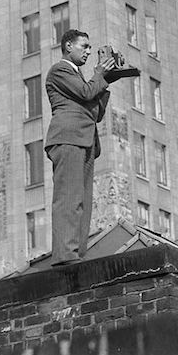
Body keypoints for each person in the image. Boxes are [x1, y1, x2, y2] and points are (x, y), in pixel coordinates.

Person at [45, 29, 116, 265]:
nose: (88, 51)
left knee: (82, 201)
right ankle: (65, 255)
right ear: (68, 46)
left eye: (89, 47)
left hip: (84, 140)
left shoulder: (80, 77)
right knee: (69, 197)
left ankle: (76, 254)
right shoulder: (60, 70)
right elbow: (86, 93)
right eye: (84, 46)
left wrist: (105, 80)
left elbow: (95, 112)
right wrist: (100, 75)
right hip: (68, 139)